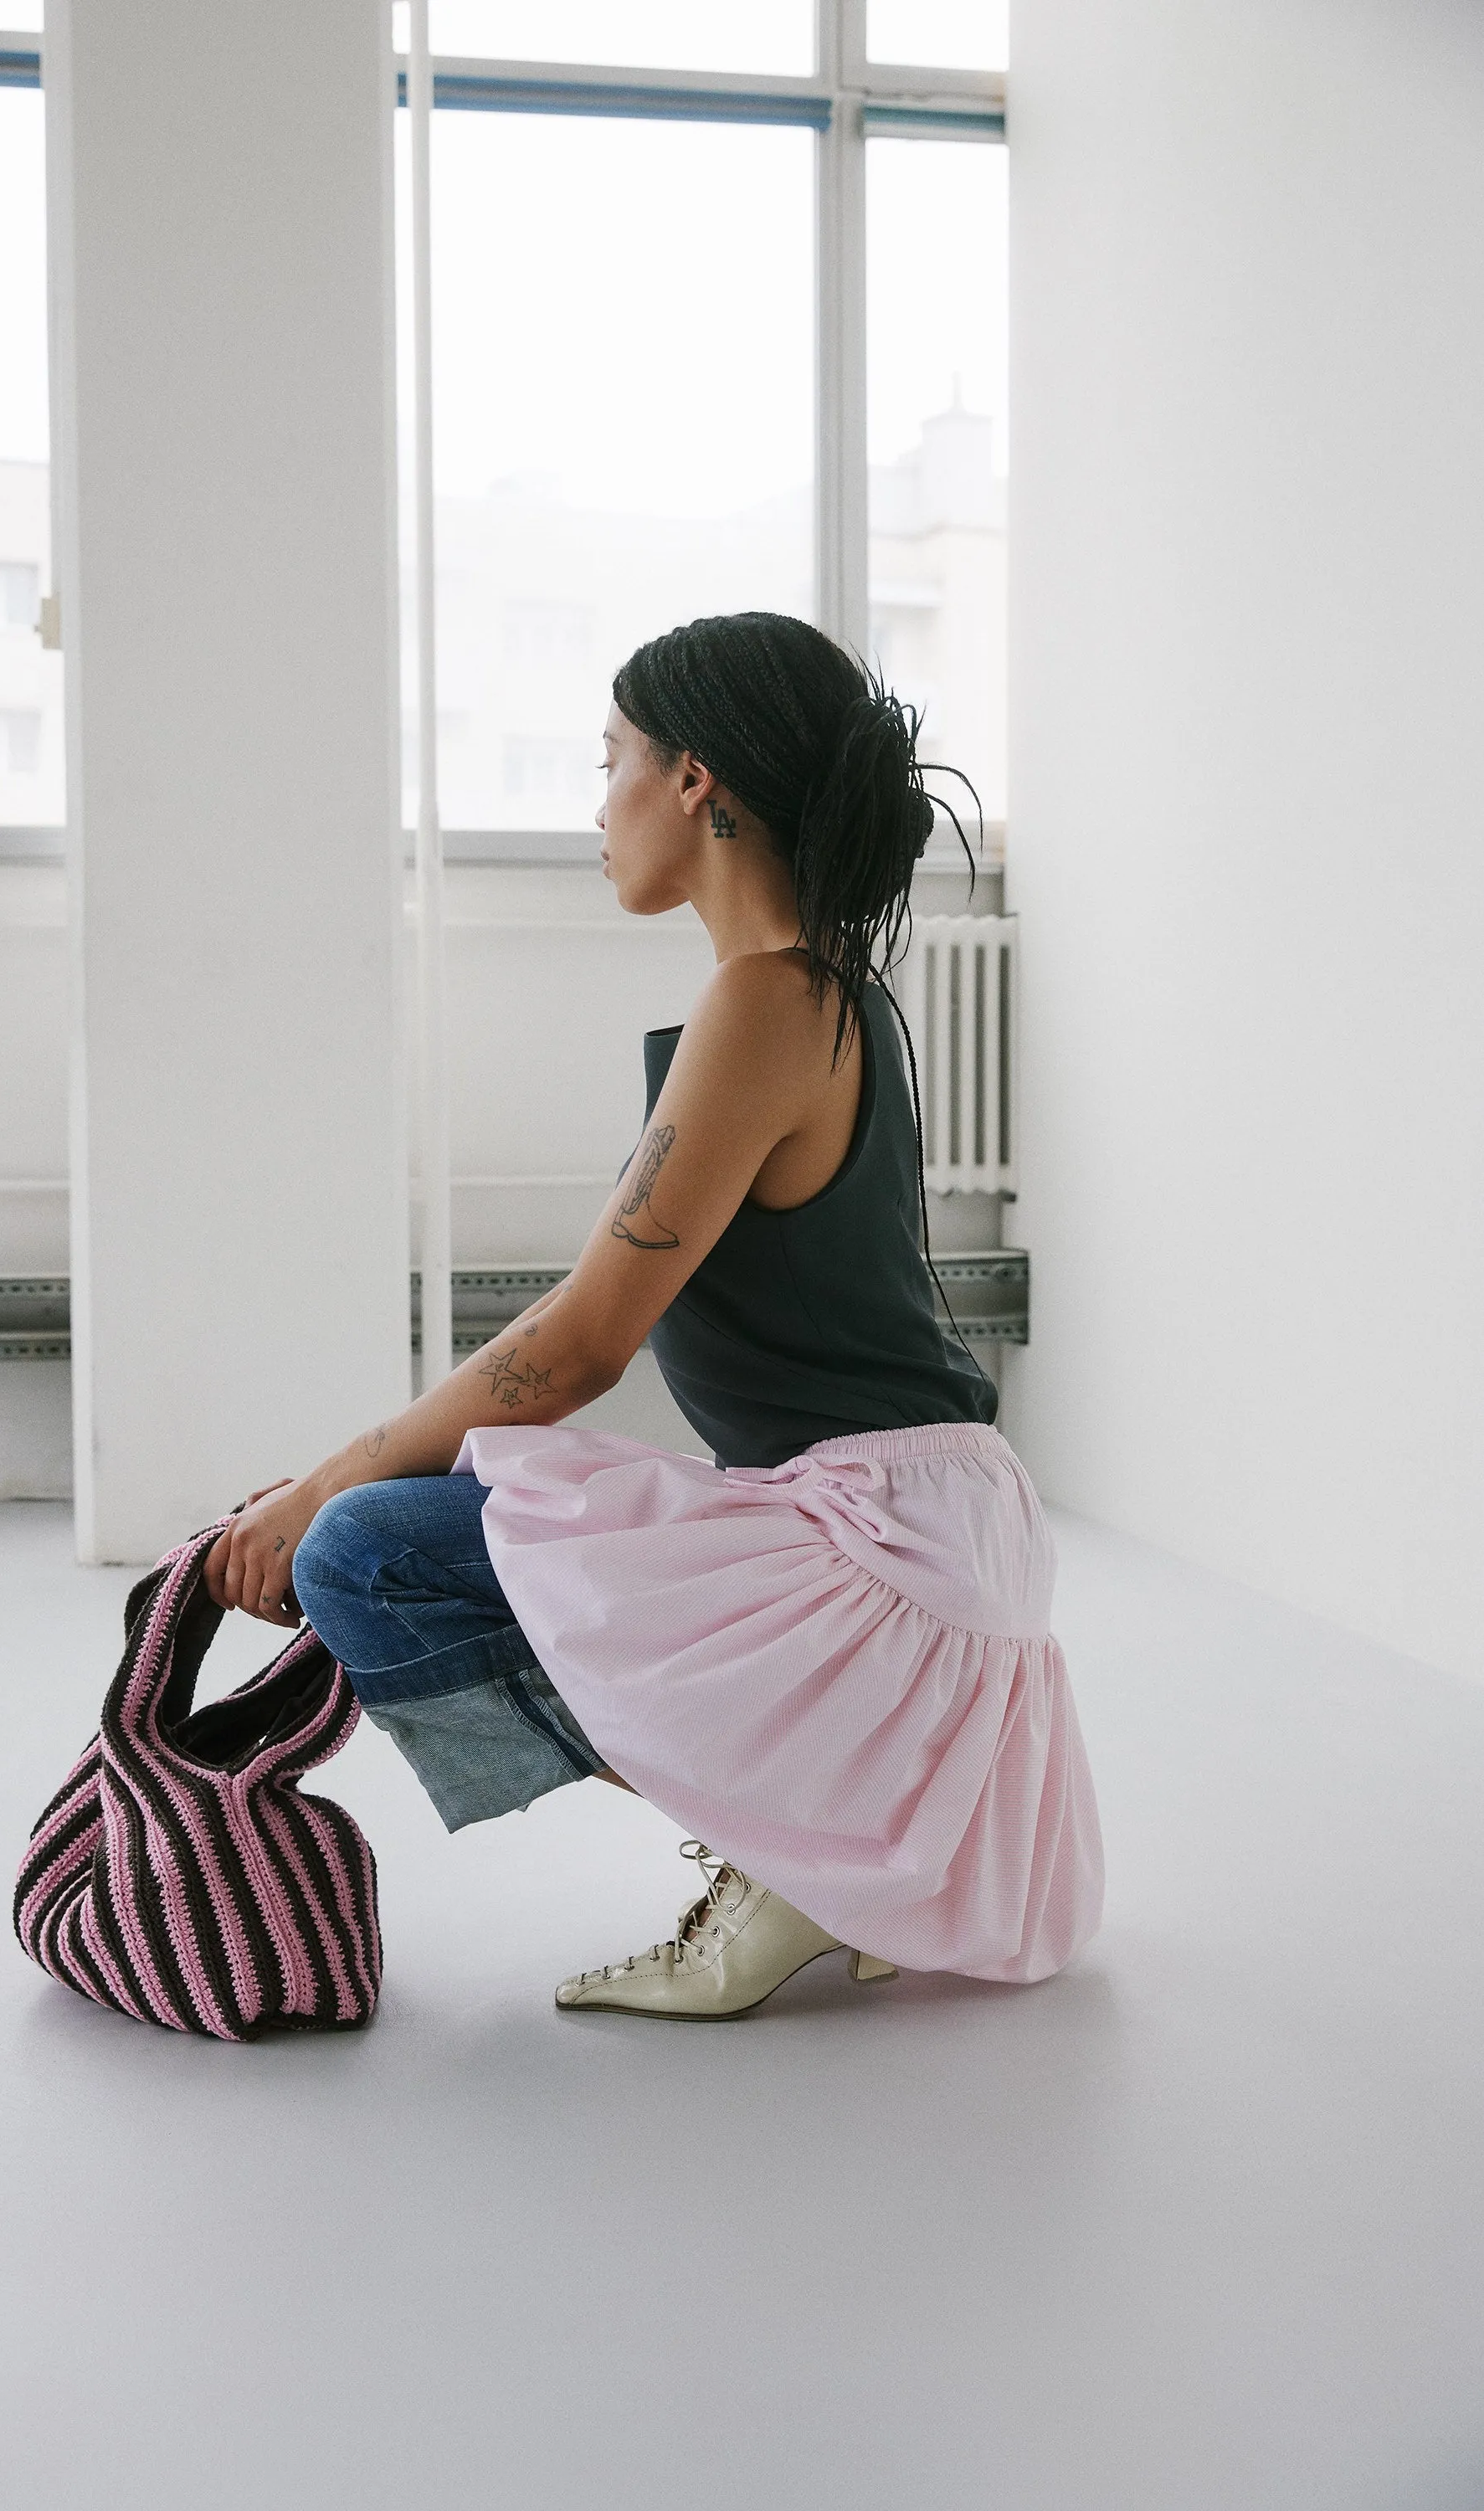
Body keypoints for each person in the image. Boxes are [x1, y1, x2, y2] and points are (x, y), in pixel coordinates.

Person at [204, 611, 1103, 2021]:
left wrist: (321, 1483)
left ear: (695, 780)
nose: (598, 803)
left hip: (892, 1552)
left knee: (369, 1549)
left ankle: (789, 1861)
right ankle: (813, 1856)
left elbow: (578, 1346)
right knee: (452, 1528)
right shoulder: (815, 995)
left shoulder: (767, 997)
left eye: (611, 757)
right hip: (916, 1535)